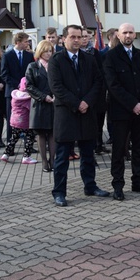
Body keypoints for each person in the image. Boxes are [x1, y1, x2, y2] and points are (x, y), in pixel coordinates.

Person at [48, 25, 109, 207]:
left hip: (87, 113)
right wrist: (77, 103)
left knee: (88, 154)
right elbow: (56, 87)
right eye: (73, 37)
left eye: (80, 37)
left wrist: (87, 102)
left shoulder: (89, 59)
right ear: (64, 39)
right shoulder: (56, 60)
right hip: (66, 114)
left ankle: (90, 186)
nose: (77, 40)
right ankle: (59, 192)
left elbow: (98, 82)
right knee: (62, 157)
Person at [103, 23, 140, 201]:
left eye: (131, 32)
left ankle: (138, 181)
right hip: (120, 111)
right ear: (118, 35)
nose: (128, 35)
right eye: (124, 32)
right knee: (119, 150)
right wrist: (133, 103)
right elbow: (113, 85)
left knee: (139, 148)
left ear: (135, 35)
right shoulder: (111, 57)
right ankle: (118, 185)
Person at [25, 40, 56, 173]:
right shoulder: (33, 66)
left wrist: (56, 95)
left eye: (50, 51)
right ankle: (44, 160)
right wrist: (44, 96)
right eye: (46, 51)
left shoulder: (55, 65)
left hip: (54, 103)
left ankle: (53, 160)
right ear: (40, 52)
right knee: (41, 133)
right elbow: (29, 86)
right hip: (39, 104)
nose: (48, 54)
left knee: (53, 133)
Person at [0, 32, 33, 141]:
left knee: (27, 118)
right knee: (12, 118)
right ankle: (11, 143)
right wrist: (18, 84)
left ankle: (28, 144)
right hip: (12, 91)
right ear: (18, 42)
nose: (27, 43)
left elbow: (32, 72)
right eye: (25, 41)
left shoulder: (29, 55)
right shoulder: (7, 55)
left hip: (27, 92)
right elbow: (4, 74)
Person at [0, 77, 38, 164]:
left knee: (13, 138)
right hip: (24, 122)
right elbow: (31, 108)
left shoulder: (15, 96)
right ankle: (26, 156)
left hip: (15, 121)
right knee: (30, 137)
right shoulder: (26, 98)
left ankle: (6, 154)